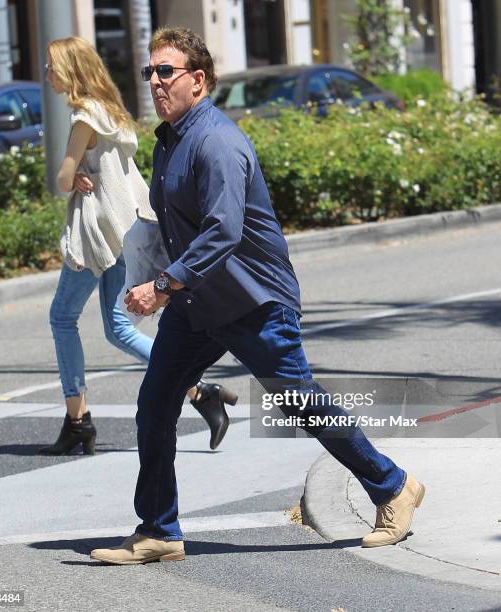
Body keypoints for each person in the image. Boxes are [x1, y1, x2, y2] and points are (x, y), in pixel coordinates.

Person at [90, 28, 425, 565]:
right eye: (149, 72)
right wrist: (156, 272)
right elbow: (177, 225)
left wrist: (163, 285)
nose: (154, 81)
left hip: (252, 302)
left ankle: (392, 486)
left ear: (197, 81)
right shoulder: (170, 140)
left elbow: (222, 231)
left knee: (303, 402)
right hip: (198, 304)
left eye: (165, 71)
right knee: (155, 404)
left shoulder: (217, 142)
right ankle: (158, 529)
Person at [40, 36, 236, 456]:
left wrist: (70, 176)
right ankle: (200, 392)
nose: (47, 74)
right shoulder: (113, 112)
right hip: (124, 231)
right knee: (118, 328)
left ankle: (78, 420)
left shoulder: (83, 118)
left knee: (61, 319)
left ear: (70, 69)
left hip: (94, 235)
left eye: (52, 66)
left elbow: (59, 180)